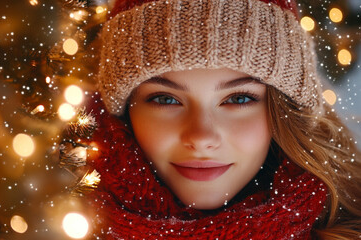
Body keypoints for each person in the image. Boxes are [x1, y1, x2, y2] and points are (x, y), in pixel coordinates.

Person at [61, 0, 361, 238]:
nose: (201, 137)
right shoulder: (51, 220)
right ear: (124, 111)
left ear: (285, 110)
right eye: (165, 99)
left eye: (239, 98)